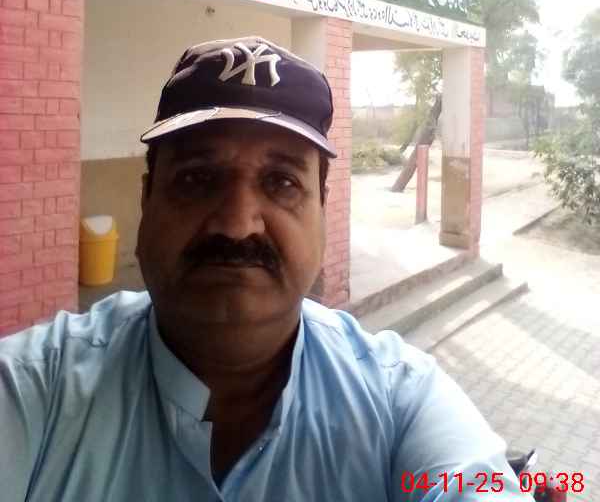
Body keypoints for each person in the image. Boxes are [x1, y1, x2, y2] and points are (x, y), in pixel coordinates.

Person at [0, 36, 530, 501]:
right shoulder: (34, 392)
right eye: (196, 179)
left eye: (281, 183)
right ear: (147, 201)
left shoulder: (400, 401)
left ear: (322, 209)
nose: (236, 225)